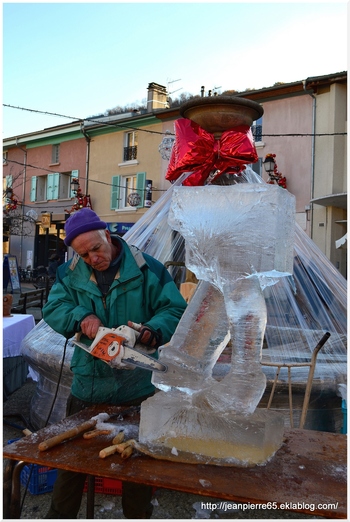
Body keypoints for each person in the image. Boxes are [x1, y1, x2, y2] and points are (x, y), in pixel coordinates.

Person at [42, 208, 187, 519]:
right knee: (71, 468)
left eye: (97, 248)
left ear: (108, 236)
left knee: (136, 473)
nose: (93, 258)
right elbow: (54, 307)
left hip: (136, 390)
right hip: (88, 386)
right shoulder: (69, 273)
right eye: (84, 254)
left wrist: (149, 332)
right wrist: (81, 317)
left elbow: (175, 310)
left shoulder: (147, 269)